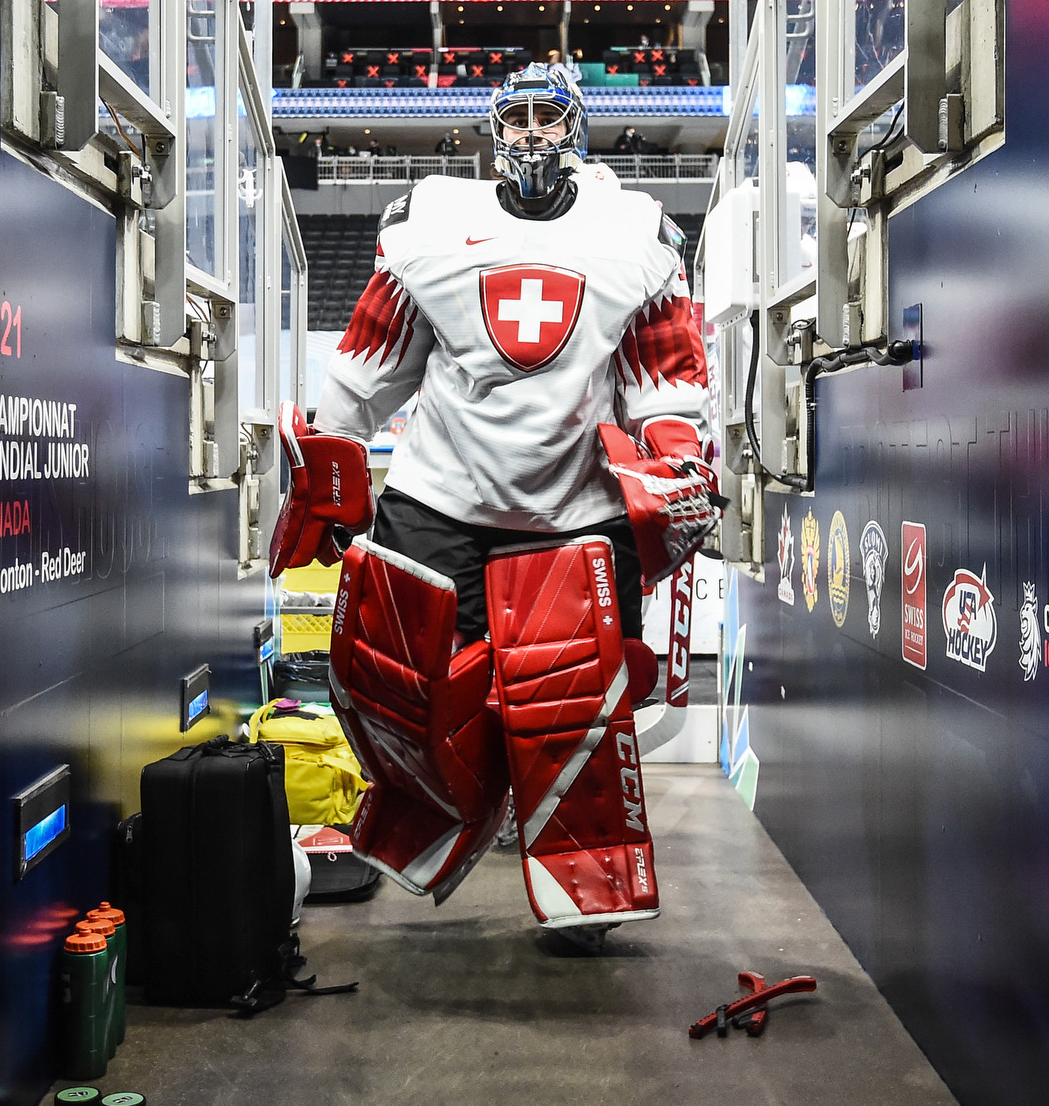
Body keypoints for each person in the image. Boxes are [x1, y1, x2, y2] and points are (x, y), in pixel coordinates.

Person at [267, 64, 718, 946]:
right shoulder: (431, 222)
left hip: (573, 509)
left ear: (577, 127)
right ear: (492, 128)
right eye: (516, 116)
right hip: (442, 497)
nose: (531, 132)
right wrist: (332, 452)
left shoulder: (635, 230)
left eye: (548, 115)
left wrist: (675, 453)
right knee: (409, 689)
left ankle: (582, 885)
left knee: (573, 713)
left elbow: (662, 374)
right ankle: (444, 815)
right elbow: (372, 358)